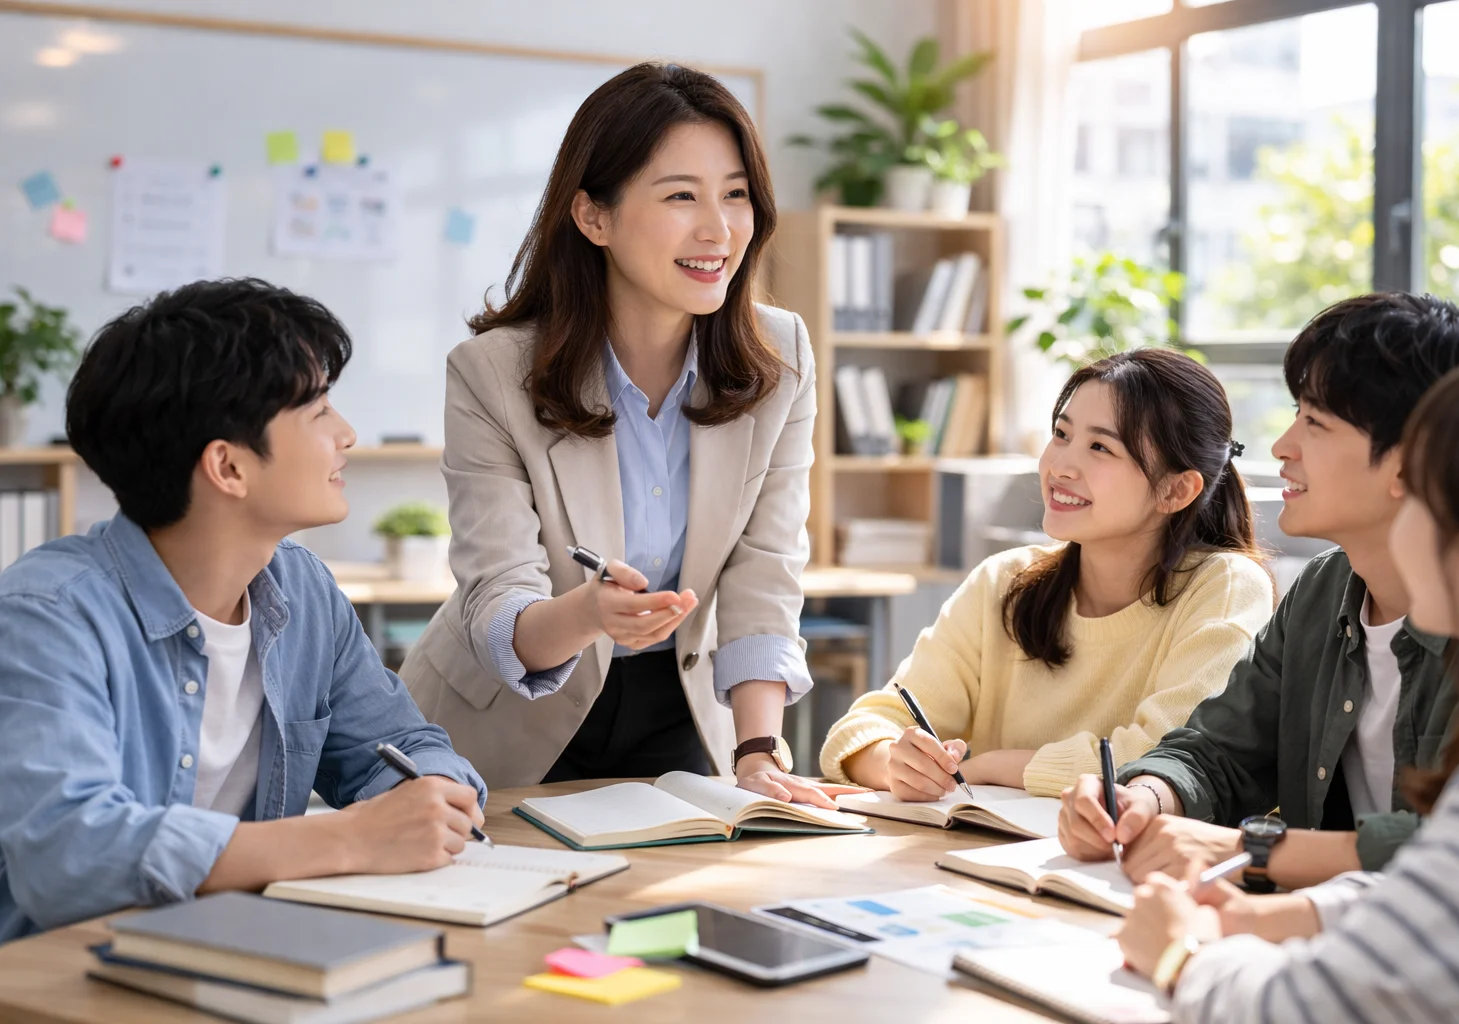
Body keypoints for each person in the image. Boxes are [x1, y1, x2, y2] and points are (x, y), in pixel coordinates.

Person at [400, 63, 853, 806]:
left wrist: (758, 748)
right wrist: (588, 612)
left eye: (735, 194)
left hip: (682, 708)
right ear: (594, 217)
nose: (719, 229)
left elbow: (764, 571)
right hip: (501, 723)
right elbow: (497, 600)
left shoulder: (781, 356)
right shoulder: (492, 372)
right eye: (681, 196)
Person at [0, 279, 487, 944]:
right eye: (317, 412)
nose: (346, 434)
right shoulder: (48, 616)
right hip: (63, 977)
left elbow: (400, 749)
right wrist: (344, 839)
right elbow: (69, 852)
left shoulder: (304, 591)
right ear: (228, 468)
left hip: (240, 950)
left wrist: (432, 793)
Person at [1116, 353, 1459, 1022]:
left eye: (1423, 494)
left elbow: (1305, 1010)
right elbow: (1451, 887)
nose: (1283, 446)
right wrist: (1291, 914)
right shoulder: (1325, 590)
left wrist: (1180, 954)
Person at [1058, 292, 1459, 891]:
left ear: (1412, 461)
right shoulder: (1325, 590)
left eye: (1315, 422)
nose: (1281, 445)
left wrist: (1254, 850)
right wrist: (1143, 796)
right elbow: (1217, 750)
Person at [820, 348, 1273, 799]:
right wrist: (893, 762)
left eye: (1100, 446)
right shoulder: (1005, 581)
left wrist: (993, 767)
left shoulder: (1224, 587)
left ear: (1176, 489)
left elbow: (1170, 760)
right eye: (1061, 434)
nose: (1059, 466)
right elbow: (866, 727)